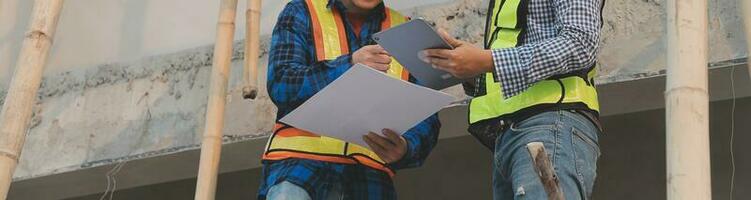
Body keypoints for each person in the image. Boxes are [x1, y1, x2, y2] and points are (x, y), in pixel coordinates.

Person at [422, 0, 605, 199]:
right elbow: (508, 65)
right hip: (511, 136)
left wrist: (487, 60)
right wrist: (468, 68)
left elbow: (580, 43)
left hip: (550, 123)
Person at [258, 0, 441, 199]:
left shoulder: (406, 31)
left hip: (370, 180)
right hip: (301, 171)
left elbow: (427, 115)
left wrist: (406, 147)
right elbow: (282, 84)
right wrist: (349, 65)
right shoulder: (302, 11)